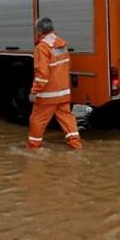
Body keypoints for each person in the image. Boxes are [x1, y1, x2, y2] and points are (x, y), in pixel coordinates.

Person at [27, 17, 83, 150]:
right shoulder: (61, 43)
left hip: (48, 95)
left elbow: (42, 74)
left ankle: (33, 149)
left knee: (37, 121)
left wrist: (34, 92)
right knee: (67, 120)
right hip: (63, 93)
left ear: (39, 31)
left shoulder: (42, 47)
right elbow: (66, 66)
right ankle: (76, 146)